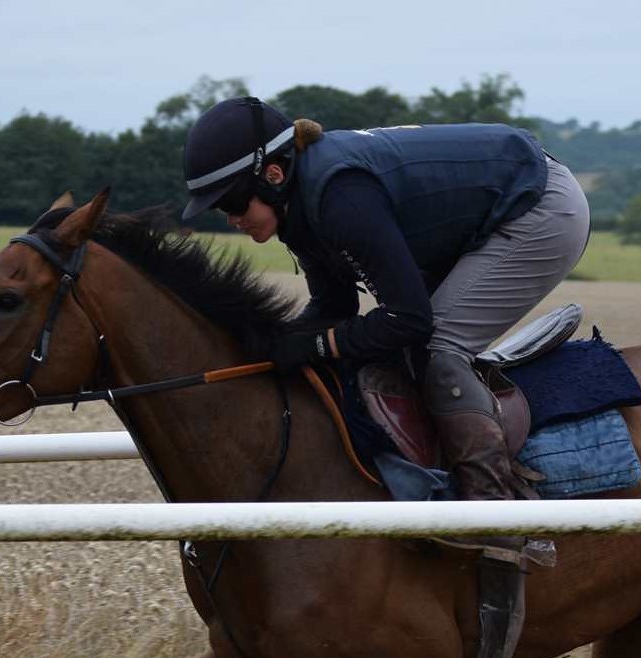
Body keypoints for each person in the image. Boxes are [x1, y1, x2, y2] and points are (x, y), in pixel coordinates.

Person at [180, 97, 590, 537]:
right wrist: (273, 342)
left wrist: (313, 345)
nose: (230, 218)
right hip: (492, 203)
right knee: (392, 350)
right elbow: (335, 308)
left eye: (234, 203)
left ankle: (496, 517)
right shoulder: (300, 203)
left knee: (435, 350)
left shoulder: (339, 197)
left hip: (539, 205)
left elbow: (409, 320)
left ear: (274, 176)